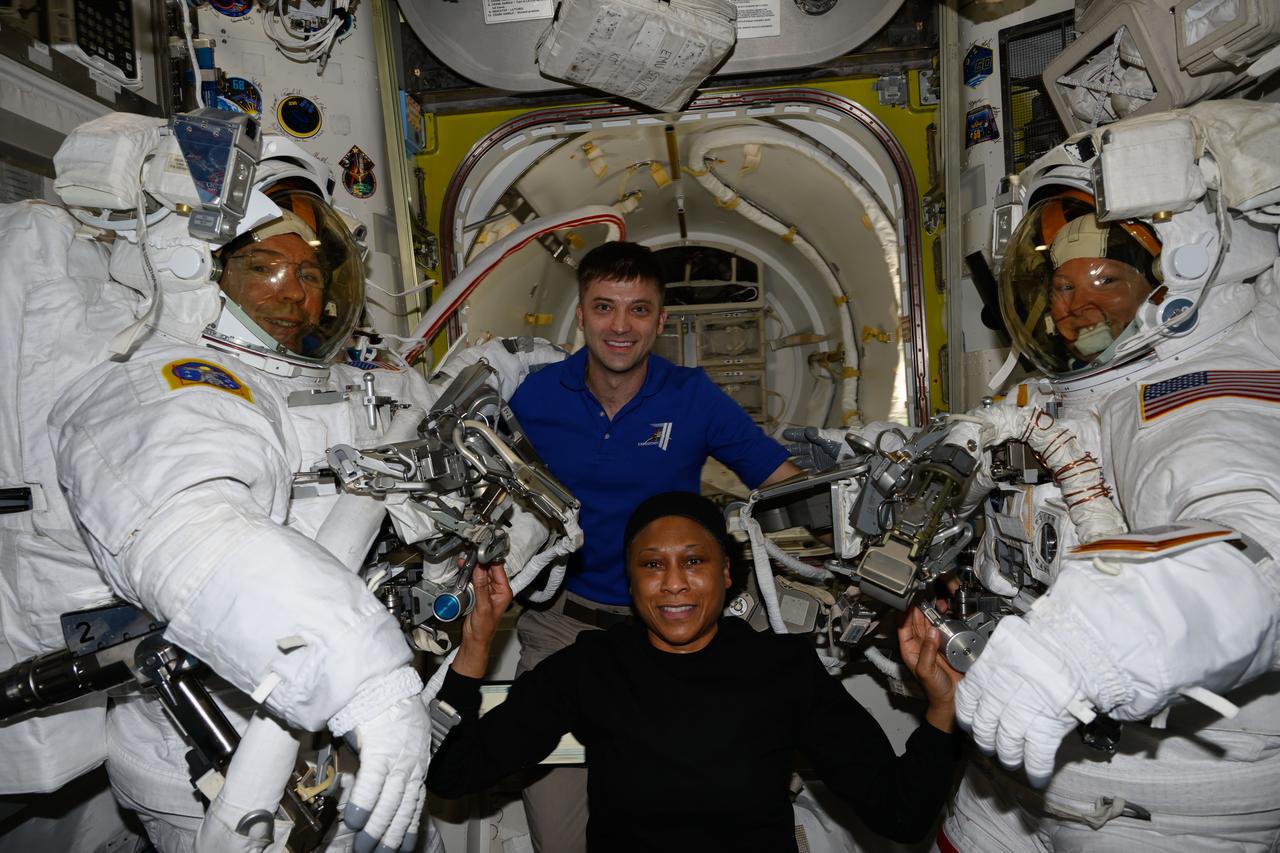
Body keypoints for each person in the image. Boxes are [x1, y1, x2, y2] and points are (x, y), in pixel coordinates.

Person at [43, 111, 439, 853]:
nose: (294, 293)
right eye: (263, 268)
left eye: (310, 273)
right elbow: (194, 532)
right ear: (199, 271)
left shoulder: (309, 383)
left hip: (322, 738)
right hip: (212, 759)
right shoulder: (162, 385)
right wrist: (366, 679)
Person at [939, 100, 1280, 850]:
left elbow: (1255, 555)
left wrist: (1084, 649)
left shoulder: (1202, 399)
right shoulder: (1068, 393)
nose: (1075, 306)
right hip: (1020, 762)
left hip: (1161, 802)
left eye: (1105, 281)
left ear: (1174, 286)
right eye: (1062, 287)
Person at [427, 491, 963, 852]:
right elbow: (454, 773)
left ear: (726, 572)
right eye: (652, 564)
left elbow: (901, 813)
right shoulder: (593, 666)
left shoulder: (783, 668)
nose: (674, 583)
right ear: (631, 582)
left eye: (694, 561)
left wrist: (942, 705)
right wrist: (476, 642)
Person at [504, 240, 803, 851]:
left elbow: (785, 485)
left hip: (674, 627)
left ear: (661, 320)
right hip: (563, 625)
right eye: (605, 307)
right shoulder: (534, 399)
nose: (621, 326)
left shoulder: (691, 396)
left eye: (638, 309)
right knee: (560, 835)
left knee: (707, 810)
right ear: (581, 316)